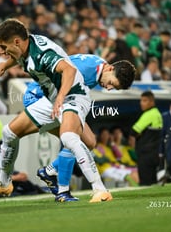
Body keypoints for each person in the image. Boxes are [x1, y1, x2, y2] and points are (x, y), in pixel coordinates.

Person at [0, 19, 133, 202]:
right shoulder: (27, 46)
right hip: (51, 97)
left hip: (73, 96)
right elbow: (25, 57)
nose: (1, 52)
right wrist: (6, 65)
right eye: (113, 84)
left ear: (17, 41)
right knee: (8, 132)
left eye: (3, 46)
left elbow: (69, 71)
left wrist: (60, 97)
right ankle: (4, 182)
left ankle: (99, 190)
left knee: (70, 137)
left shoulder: (43, 54)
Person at [32, 53, 136, 199]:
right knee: (71, 138)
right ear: (110, 69)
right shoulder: (86, 69)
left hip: (63, 99)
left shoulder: (99, 69)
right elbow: (61, 78)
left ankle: (50, 171)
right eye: (111, 83)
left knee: (90, 142)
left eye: (113, 88)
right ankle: (67, 190)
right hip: (44, 98)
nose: (108, 88)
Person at [129, 91, 163, 186]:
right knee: (153, 183)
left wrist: (139, 134)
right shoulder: (158, 114)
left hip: (146, 155)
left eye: (145, 100)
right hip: (155, 152)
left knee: (145, 184)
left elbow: (133, 132)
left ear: (152, 102)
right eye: (141, 100)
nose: (141, 103)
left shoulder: (149, 114)